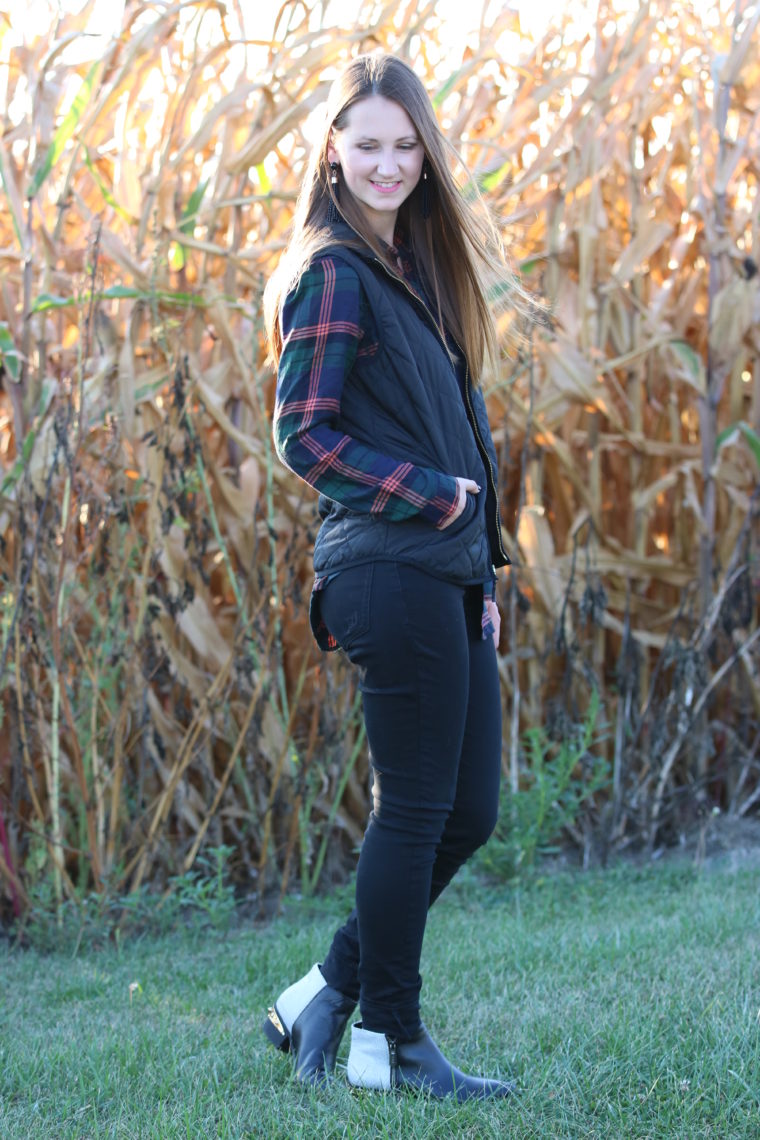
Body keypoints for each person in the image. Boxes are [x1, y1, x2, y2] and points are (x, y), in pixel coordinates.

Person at [262, 52, 529, 1101]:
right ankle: (392, 1042)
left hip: (446, 573)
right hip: (388, 568)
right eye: (365, 143)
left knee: (466, 813)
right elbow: (303, 436)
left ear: (425, 154)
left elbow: (458, 428)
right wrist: (434, 498)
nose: (386, 162)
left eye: (404, 144)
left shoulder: (408, 271)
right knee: (416, 808)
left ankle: (325, 995)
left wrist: (487, 572)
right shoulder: (332, 270)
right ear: (333, 149)